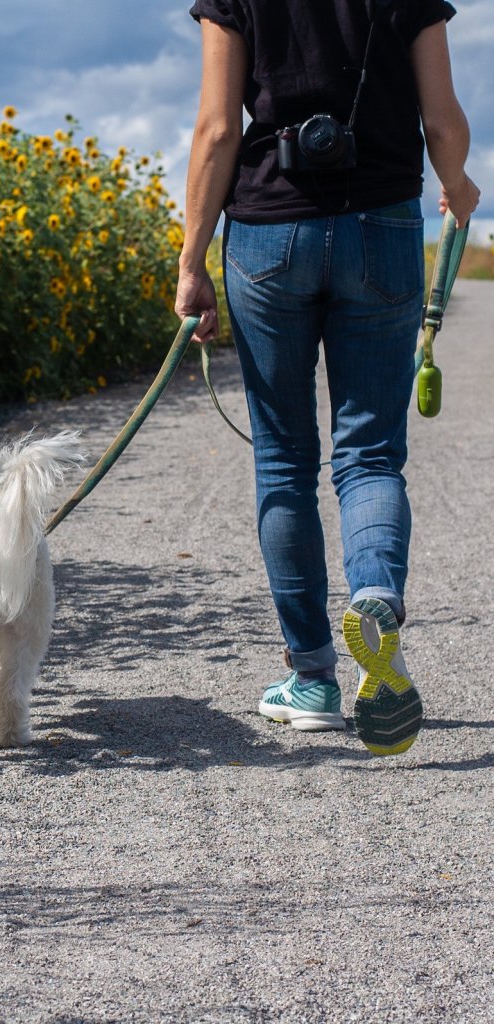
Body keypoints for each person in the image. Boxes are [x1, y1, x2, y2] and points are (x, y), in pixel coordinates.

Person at [175, 0, 480, 755]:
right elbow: (441, 119)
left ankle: (312, 680)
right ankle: (375, 596)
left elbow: (217, 129)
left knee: (283, 458)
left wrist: (191, 261)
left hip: (268, 230)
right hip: (382, 225)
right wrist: (459, 183)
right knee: (370, 453)